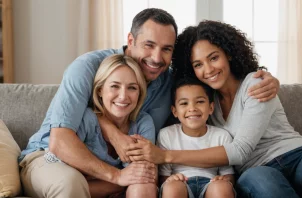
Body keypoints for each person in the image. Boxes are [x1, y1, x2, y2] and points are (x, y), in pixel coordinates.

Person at [19, 8, 279, 196]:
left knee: (145, 182)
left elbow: (202, 89)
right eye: (149, 45)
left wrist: (260, 77)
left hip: (121, 170)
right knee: (68, 184)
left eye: (167, 49)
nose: (157, 58)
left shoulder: (167, 82)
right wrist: (116, 172)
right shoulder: (87, 68)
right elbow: (59, 141)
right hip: (53, 158)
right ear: (130, 40)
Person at [126, 20, 302, 198]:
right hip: (255, 170)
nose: (208, 70)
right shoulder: (204, 103)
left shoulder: (256, 85)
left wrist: (165, 155)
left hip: (298, 154)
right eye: (198, 64)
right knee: (267, 187)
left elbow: (240, 150)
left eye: (213, 58)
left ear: (229, 54)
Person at [20, 54, 157, 197]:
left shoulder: (143, 123)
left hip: (87, 183)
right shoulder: (87, 119)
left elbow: (140, 175)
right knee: (71, 181)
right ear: (100, 90)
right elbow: (65, 169)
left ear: (140, 92)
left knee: (144, 183)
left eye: (132, 88)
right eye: (115, 86)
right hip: (48, 161)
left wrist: (104, 177)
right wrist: (118, 178)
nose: (123, 96)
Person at [158, 77, 235, 198]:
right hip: (181, 183)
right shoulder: (166, 134)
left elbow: (228, 174)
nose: (192, 108)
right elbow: (164, 175)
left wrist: (224, 180)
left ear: (211, 108)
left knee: (221, 187)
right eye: (184, 103)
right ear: (174, 111)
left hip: (211, 183)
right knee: (172, 187)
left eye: (199, 101)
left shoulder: (222, 136)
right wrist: (171, 178)